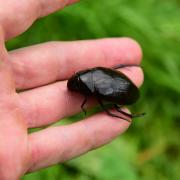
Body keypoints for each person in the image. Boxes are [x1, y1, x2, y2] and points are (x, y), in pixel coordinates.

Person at [0, 1, 144, 179]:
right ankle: (129, 116)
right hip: (116, 85)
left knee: (108, 110)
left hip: (122, 89)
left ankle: (129, 116)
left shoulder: (93, 85)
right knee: (108, 110)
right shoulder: (92, 78)